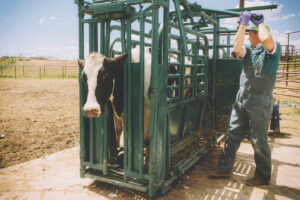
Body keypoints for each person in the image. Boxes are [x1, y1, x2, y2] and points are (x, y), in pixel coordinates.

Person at [209, 11, 281, 186]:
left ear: (258, 33)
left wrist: (261, 23)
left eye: (250, 32)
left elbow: (266, 40)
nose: (248, 36)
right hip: (242, 99)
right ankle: (224, 169)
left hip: (260, 102)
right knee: (232, 134)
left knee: (259, 140)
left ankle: (263, 176)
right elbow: (236, 48)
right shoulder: (249, 51)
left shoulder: (273, 50)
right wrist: (243, 24)